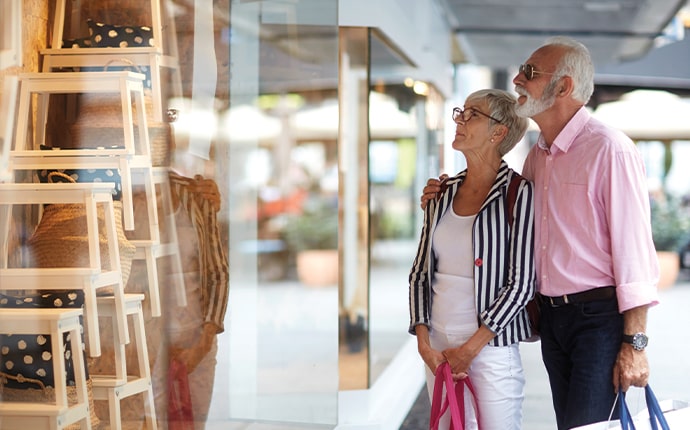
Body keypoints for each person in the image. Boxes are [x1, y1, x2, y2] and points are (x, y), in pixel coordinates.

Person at [421, 36, 660, 430]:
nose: (517, 79)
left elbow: (636, 257)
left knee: (589, 426)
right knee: (569, 424)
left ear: (563, 87)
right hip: (552, 317)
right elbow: (501, 209)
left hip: (596, 319)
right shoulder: (539, 156)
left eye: (529, 72)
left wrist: (635, 344)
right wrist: (445, 192)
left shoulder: (609, 150)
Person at [409, 89, 535, 429]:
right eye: (460, 113)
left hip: (491, 345)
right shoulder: (441, 192)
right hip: (436, 344)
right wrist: (423, 342)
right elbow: (420, 273)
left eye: (472, 114)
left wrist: (471, 348)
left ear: (498, 133)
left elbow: (522, 284)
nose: (459, 121)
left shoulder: (519, 193)